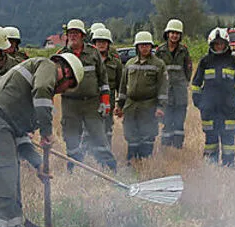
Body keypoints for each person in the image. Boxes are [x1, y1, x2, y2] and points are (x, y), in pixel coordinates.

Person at [0, 53, 84, 227]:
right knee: (2, 198)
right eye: (66, 87)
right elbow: (43, 91)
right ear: (66, 73)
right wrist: (47, 130)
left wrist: (38, 164)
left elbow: (21, 136)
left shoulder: (28, 96)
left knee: (12, 199)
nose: (60, 92)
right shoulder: (47, 66)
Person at [56, 19, 115, 170]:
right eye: (70, 33)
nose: (73, 36)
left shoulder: (93, 52)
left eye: (76, 33)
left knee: (99, 136)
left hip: (91, 103)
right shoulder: (61, 56)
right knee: (71, 137)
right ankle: (74, 169)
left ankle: (110, 167)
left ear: (83, 35)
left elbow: (103, 78)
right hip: (70, 104)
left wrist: (105, 101)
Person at [192, 28, 235, 165]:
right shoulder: (205, 62)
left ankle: (229, 165)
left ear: (226, 44)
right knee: (211, 138)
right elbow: (196, 82)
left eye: (221, 44)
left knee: (228, 139)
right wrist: (198, 100)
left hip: (229, 107)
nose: (219, 46)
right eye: (216, 44)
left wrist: (230, 94)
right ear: (211, 45)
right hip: (209, 108)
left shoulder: (232, 61)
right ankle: (210, 165)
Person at [115, 31, 167, 161]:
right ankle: (131, 162)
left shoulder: (158, 64)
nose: (144, 48)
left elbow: (163, 87)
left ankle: (145, 162)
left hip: (149, 105)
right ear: (137, 47)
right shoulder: (129, 63)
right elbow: (123, 86)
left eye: (147, 45)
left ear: (151, 46)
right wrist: (119, 105)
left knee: (147, 136)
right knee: (131, 135)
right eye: (141, 45)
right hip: (131, 105)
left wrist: (161, 107)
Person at [155, 19, 193, 149]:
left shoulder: (184, 50)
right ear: (167, 33)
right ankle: (166, 147)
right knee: (167, 122)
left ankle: (177, 147)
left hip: (180, 92)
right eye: (172, 33)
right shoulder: (160, 51)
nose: (174, 35)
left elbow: (188, 69)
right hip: (165, 92)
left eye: (177, 33)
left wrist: (184, 83)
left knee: (179, 123)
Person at [91, 27, 122, 142]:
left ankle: (105, 156)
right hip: (90, 102)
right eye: (98, 42)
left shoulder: (116, 63)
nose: (101, 44)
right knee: (89, 131)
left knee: (107, 131)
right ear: (94, 43)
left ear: (108, 44)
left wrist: (120, 105)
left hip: (108, 103)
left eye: (104, 42)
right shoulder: (88, 61)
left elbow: (120, 85)